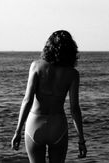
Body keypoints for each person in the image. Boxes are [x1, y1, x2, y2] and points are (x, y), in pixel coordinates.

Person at [11, 30, 87, 162]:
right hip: (57, 125)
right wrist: (81, 139)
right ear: (71, 50)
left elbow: (27, 100)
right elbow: (74, 108)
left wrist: (17, 132)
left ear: (49, 47)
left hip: (35, 123)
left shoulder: (36, 66)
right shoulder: (72, 74)